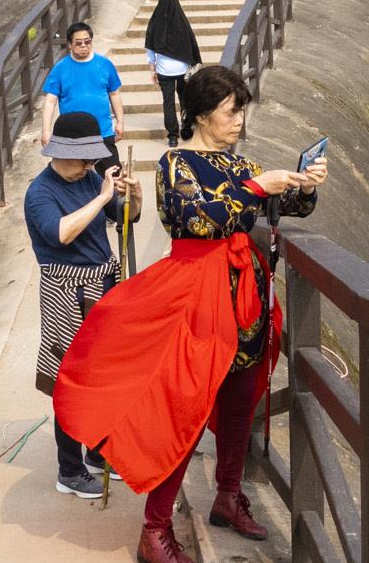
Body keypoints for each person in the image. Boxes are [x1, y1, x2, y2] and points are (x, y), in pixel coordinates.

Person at [55, 65, 327, 563]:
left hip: (244, 300)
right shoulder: (174, 163)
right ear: (203, 113)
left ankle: (227, 496)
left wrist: (305, 187)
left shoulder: (242, 167)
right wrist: (256, 189)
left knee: (241, 401)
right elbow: (198, 219)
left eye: (241, 109)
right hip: (194, 300)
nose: (239, 120)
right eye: (231, 110)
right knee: (184, 411)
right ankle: (154, 530)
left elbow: (289, 205)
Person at [28, 111, 141, 498]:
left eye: (93, 160)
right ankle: (69, 468)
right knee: (70, 379)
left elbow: (126, 216)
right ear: (60, 153)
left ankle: (96, 450)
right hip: (65, 289)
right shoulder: (40, 192)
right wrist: (104, 197)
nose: (89, 167)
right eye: (84, 160)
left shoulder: (91, 178)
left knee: (103, 374)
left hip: (102, 283)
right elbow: (60, 233)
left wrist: (132, 193)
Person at [41, 22, 124, 167]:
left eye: (87, 42)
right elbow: (50, 101)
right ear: (69, 45)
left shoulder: (105, 65)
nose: (84, 46)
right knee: (74, 178)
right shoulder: (60, 68)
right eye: (78, 43)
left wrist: (120, 122)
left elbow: (114, 94)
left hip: (102, 133)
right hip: (72, 137)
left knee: (113, 177)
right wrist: (46, 131)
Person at [142, 0, 201, 149]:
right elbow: (191, 44)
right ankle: (186, 129)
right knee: (185, 100)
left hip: (164, 71)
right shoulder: (181, 23)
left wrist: (152, 70)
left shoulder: (155, 23)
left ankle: (172, 136)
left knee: (168, 103)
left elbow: (150, 48)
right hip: (183, 71)